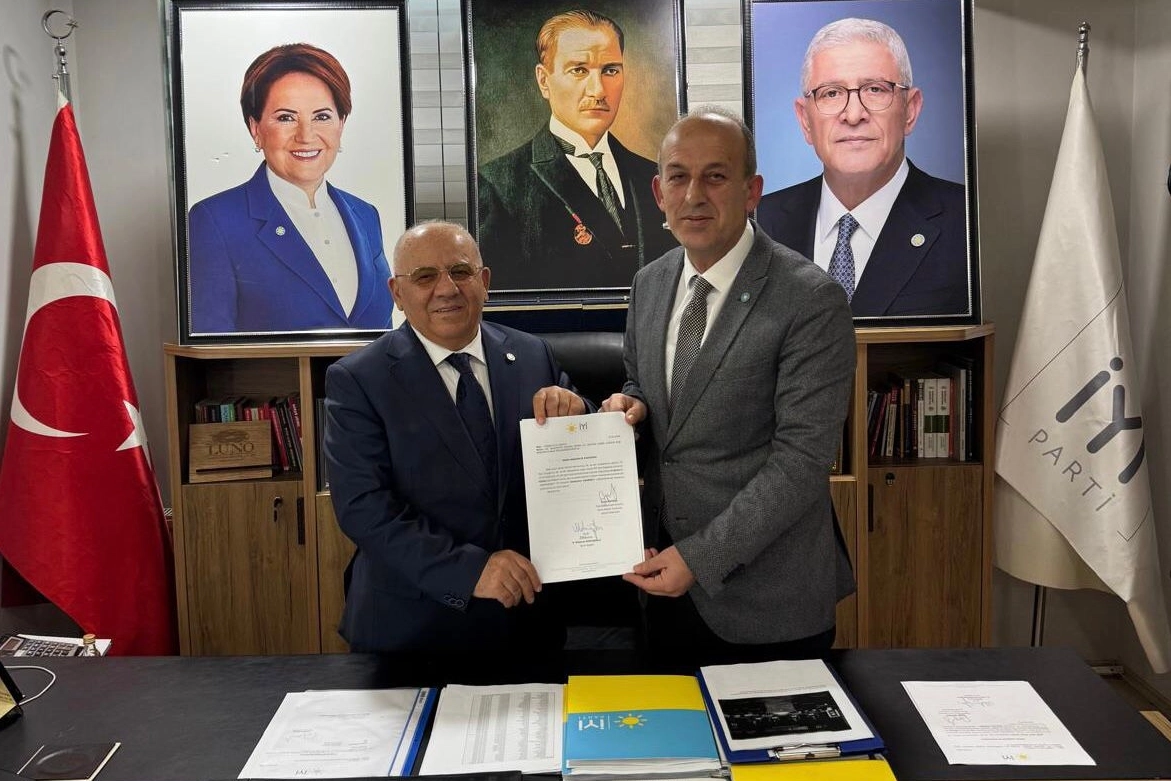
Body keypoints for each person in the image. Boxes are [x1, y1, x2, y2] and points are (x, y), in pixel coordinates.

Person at [603, 108, 856, 671]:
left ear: (751, 191)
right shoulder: (649, 283)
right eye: (678, 176)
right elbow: (648, 387)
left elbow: (800, 463)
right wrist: (632, 404)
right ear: (659, 192)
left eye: (715, 176)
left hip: (767, 601)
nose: (694, 195)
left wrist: (700, 557)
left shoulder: (811, 300)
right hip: (661, 584)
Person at [323, 221, 590, 661]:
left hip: (526, 621)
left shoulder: (531, 354)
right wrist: (470, 571)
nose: (446, 289)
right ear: (397, 292)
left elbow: (582, 433)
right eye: (425, 276)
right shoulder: (359, 380)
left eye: (461, 272)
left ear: (484, 282)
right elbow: (364, 508)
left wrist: (580, 408)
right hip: (413, 628)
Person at [755, 18, 969, 318]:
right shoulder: (757, 224)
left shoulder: (967, 222)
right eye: (831, 93)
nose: (854, 115)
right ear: (805, 120)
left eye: (875, 90)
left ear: (910, 110)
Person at [188, 43, 392, 334]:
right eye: (286, 117)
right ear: (256, 129)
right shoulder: (216, 221)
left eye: (321, 116)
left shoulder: (366, 215)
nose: (306, 135)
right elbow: (211, 347)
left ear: (341, 124)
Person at [477, 9, 677, 292]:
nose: (598, 90)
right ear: (544, 80)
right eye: (579, 70)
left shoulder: (653, 176)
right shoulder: (496, 186)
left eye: (610, 70)